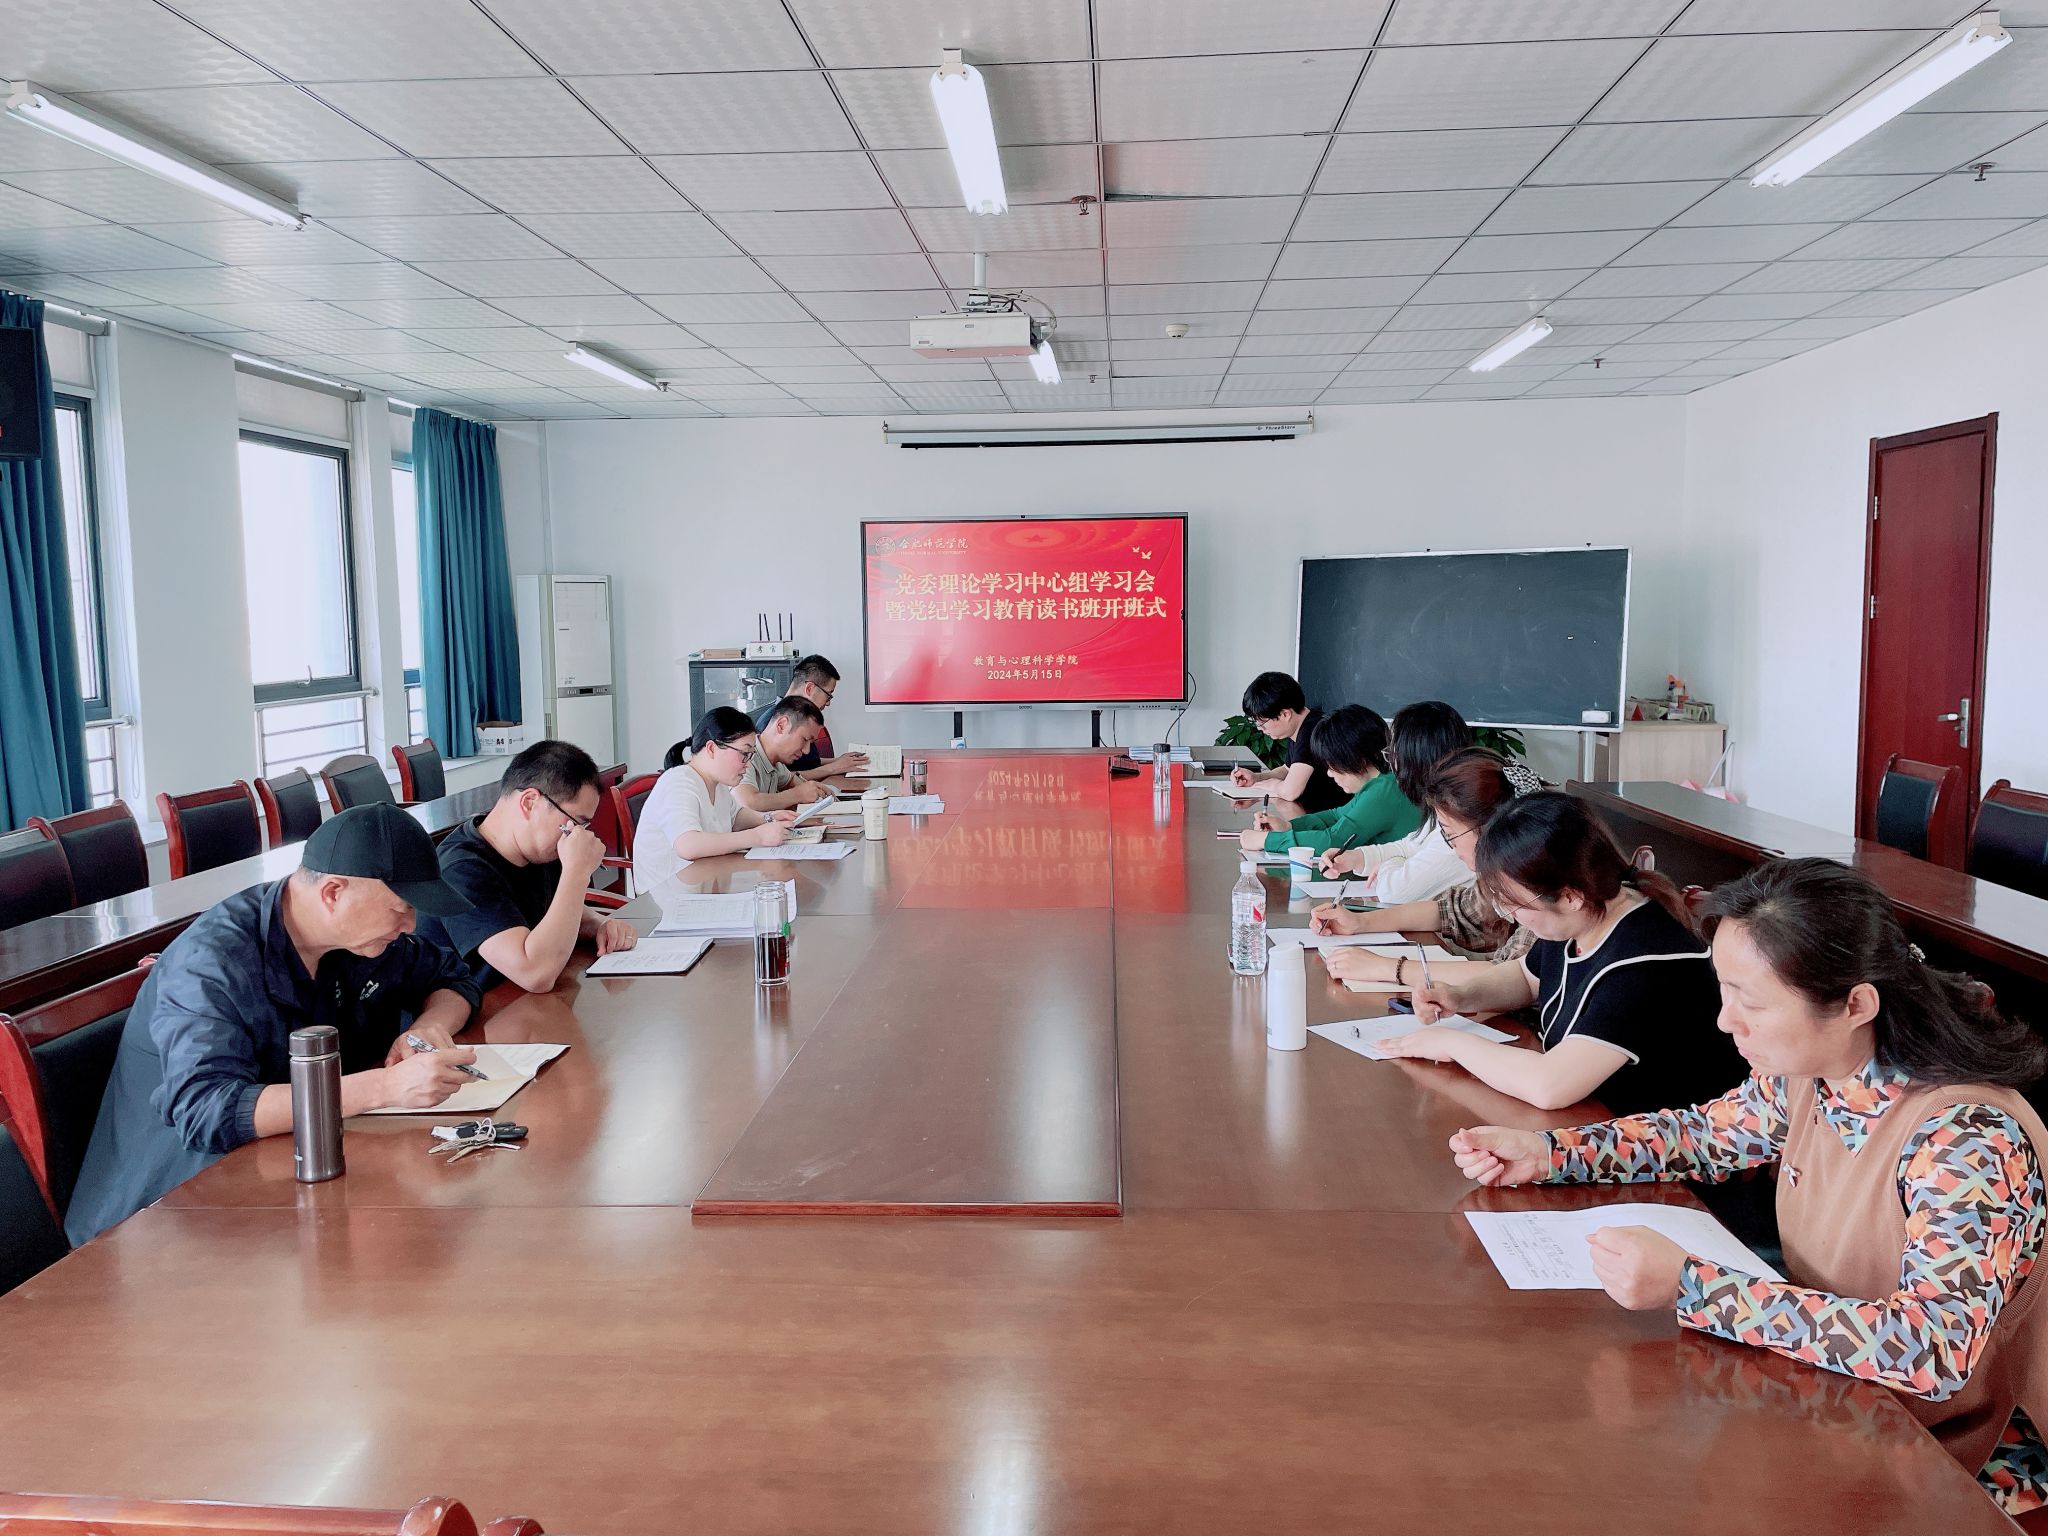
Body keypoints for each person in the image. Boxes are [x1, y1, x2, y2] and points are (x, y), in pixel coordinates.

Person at [1447, 858, 2048, 1518]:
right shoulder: (1818, 1067)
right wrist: (1550, 1153)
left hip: (1962, 1444)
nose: (1725, 1021)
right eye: (1724, 991)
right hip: (1840, 1387)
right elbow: (1709, 1134)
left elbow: (1930, 1349)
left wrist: (1692, 1287)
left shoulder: (1966, 1140)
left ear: (1855, 1004)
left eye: (1752, 1002)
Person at [65, 804, 483, 1244]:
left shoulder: (360, 940)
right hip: (173, 1216)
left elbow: (452, 977)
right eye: (401, 908)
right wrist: (385, 1087)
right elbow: (206, 1110)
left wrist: (428, 1026)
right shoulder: (211, 965)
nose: (411, 925)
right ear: (333, 893)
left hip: (295, 1178)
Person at [1373, 791, 1745, 1115]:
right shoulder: (1584, 917)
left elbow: (1548, 1085)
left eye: (1515, 905)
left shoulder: (1647, 965)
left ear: (1569, 897)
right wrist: (1462, 996)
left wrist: (1450, 1042)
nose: (1512, 916)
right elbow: (1526, 977)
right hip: (1596, 1124)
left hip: (1661, 1150)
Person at [415, 739, 638, 993]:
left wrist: (600, 924)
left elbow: (557, 910)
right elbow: (535, 974)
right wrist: (577, 872)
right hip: (475, 1012)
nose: (578, 834)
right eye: (576, 822)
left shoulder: (538, 850)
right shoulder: (461, 871)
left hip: (523, 1004)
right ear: (530, 802)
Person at [1310, 747, 1543, 988]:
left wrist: (1387, 968)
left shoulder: (1540, 883)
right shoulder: (1500, 874)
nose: (1451, 847)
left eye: (1450, 834)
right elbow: (1453, 911)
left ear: (1487, 830)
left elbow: (1515, 976)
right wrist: (1359, 923)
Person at [1315, 700, 1474, 903]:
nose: (1393, 764)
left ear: (1415, 759)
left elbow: (1395, 891)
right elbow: (1410, 846)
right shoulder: (1446, 802)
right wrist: (1356, 858)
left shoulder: (1463, 818)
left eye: (1393, 754)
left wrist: (1389, 865)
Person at [634, 707, 798, 888]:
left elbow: (735, 817)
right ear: (711, 748)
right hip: (668, 895)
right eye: (744, 754)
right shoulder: (678, 782)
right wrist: (757, 836)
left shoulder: (716, 783)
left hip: (704, 884)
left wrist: (769, 818)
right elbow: (688, 845)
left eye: (751, 755)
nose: (748, 764)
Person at [1237, 704, 1419, 857]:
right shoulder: (1380, 782)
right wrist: (1289, 826)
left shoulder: (1383, 791)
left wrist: (1266, 841)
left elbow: (1335, 841)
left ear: (1354, 758)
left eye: (1333, 766)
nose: (1330, 774)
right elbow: (1336, 816)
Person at [1227, 671, 1345, 812]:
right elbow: (1287, 770)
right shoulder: (1304, 724)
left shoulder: (1312, 732)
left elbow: (1290, 792)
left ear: (1285, 714)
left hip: (1332, 818)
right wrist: (1257, 778)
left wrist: (1272, 785)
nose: (1261, 729)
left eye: (1262, 722)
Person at [754, 654, 868, 779]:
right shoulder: (771, 723)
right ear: (809, 688)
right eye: (828, 695)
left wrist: (839, 761)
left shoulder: (804, 720)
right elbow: (781, 778)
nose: (828, 703)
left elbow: (807, 763)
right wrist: (833, 767)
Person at [736, 697, 831, 814]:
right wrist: (798, 794)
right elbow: (749, 803)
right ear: (782, 725)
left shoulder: (776, 762)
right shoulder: (745, 755)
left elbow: (793, 783)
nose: (806, 751)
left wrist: (813, 790)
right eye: (805, 739)